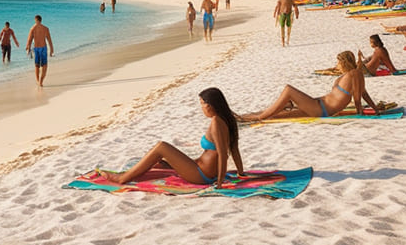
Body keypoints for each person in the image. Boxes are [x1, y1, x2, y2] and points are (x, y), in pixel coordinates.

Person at [98, 88, 244, 188]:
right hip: (202, 169)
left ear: (210, 105)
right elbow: (235, 150)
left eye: (202, 104)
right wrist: (241, 172)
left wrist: (219, 183)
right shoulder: (228, 120)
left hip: (202, 175)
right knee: (161, 163)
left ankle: (121, 178)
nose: (201, 108)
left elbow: (223, 155)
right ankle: (132, 173)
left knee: (161, 146)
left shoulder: (216, 122)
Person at [238, 51, 379, 121]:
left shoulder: (353, 74)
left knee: (288, 90)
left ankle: (259, 117)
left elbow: (358, 97)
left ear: (344, 63)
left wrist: (359, 113)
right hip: (318, 106)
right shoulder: (352, 75)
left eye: (338, 63)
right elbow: (364, 94)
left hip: (321, 109)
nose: (336, 66)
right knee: (280, 114)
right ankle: (242, 117)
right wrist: (375, 108)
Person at [26, 14, 54, 87]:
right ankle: (40, 81)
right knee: (44, 65)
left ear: (35, 20)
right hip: (43, 48)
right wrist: (51, 49)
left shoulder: (32, 28)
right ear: (41, 20)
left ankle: (38, 81)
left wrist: (28, 47)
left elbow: (29, 40)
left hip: (36, 48)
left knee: (37, 65)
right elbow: (49, 39)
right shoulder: (45, 28)